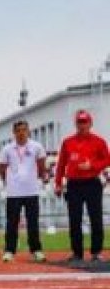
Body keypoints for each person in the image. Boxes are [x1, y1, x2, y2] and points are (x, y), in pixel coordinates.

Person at [54, 109, 110, 264]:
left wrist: (92, 165)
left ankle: (96, 252)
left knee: (96, 218)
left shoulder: (99, 141)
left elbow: (107, 160)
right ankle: (77, 253)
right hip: (74, 185)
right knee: (74, 219)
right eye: (79, 122)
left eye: (85, 122)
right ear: (75, 124)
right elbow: (61, 165)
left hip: (92, 182)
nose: (82, 125)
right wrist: (58, 184)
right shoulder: (68, 142)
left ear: (90, 123)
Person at [0, 119, 47, 263]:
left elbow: (42, 165)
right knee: (12, 222)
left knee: (33, 223)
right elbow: (1, 166)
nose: (21, 133)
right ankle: (9, 251)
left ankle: (36, 250)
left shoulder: (36, 147)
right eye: (18, 131)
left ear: (28, 131)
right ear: (14, 133)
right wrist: (9, 179)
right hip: (14, 192)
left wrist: (37, 178)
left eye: (24, 130)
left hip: (32, 190)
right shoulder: (7, 149)